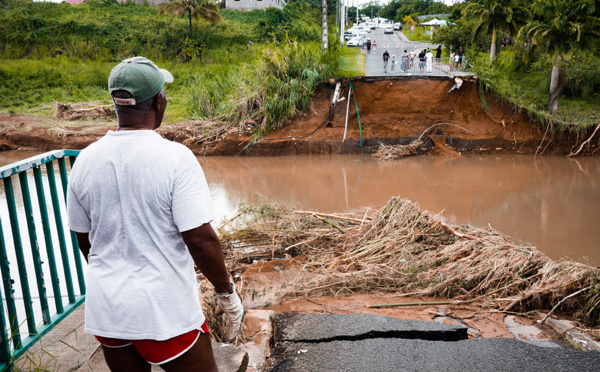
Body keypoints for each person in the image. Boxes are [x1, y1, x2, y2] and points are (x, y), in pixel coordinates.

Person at [67, 56, 244, 372]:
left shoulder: (84, 161)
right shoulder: (176, 159)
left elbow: (86, 241)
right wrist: (226, 293)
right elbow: (201, 241)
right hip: (164, 313)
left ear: (117, 104)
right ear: (159, 102)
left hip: (108, 312)